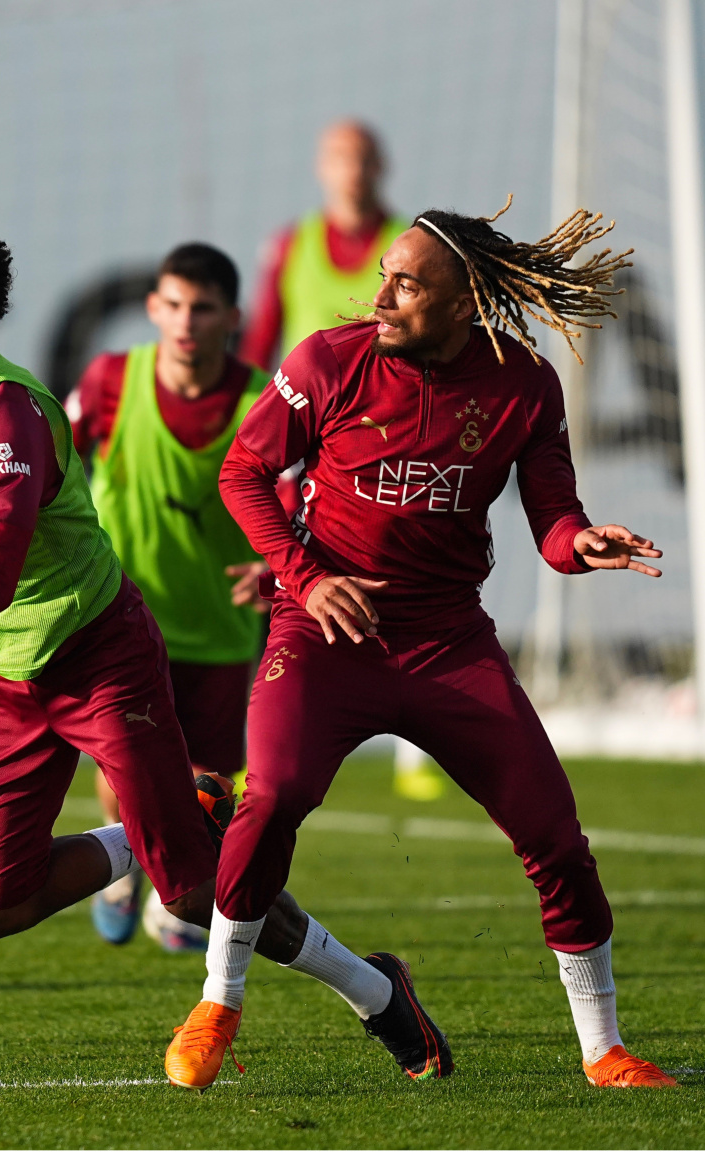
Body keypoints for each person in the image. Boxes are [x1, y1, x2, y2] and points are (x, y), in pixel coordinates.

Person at [0, 209, 445, 1082]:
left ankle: (375, 991)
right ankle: (163, 825)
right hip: (2, 672)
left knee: (189, 892)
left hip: (96, 654)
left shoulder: (4, 417)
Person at [164, 200, 677, 1092]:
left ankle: (604, 1050)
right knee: (272, 796)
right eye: (384, 278)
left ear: (464, 300)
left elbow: (554, 517)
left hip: (447, 641)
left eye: (406, 284)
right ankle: (217, 1004)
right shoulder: (330, 361)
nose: (382, 297)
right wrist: (306, 577)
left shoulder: (525, 383)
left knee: (556, 838)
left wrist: (580, 543)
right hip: (324, 632)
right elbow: (244, 472)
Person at [66, 243, 269, 951]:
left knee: (212, 784)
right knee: (122, 766)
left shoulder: (261, 401)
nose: (186, 322)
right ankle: (125, 872)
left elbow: (299, 496)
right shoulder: (110, 380)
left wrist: (276, 562)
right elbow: (52, 461)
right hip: (120, 618)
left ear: (232, 318)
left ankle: (166, 895)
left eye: (203, 308)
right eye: (174, 305)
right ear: (153, 308)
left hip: (219, 624)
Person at [241, 119, 439, 801]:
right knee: (286, 573)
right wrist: (251, 425)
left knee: (410, 569)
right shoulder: (291, 245)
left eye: (363, 158)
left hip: (397, 435)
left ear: (381, 166)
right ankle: (271, 734)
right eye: (340, 158)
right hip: (309, 436)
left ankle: (416, 748)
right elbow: (261, 340)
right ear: (322, 168)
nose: (352, 171)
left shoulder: (409, 243)